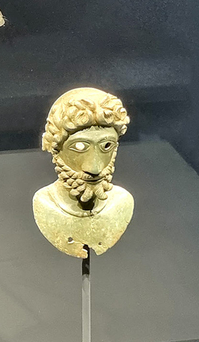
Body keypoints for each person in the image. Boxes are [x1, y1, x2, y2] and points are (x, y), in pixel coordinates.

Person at [33, 87, 134, 258]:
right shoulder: (45, 204)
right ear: (56, 149)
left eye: (106, 146)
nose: (94, 168)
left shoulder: (123, 202)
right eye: (79, 147)